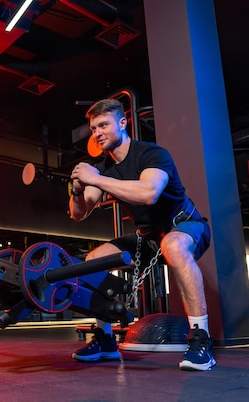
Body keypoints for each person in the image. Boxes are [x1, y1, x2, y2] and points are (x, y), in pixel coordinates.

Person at [69, 98, 214, 371]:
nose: (97, 133)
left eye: (103, 125)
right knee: (93, 260)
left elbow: (149, 193)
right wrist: (77, 188)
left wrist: (96, 179)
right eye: (93, 128)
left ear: (122, 123)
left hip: (184, 225)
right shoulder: (104, 168)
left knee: (172, 245)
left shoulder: (152, 154)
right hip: (148, 239)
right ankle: (106, 339)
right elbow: (80, 213)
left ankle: (201, 339)